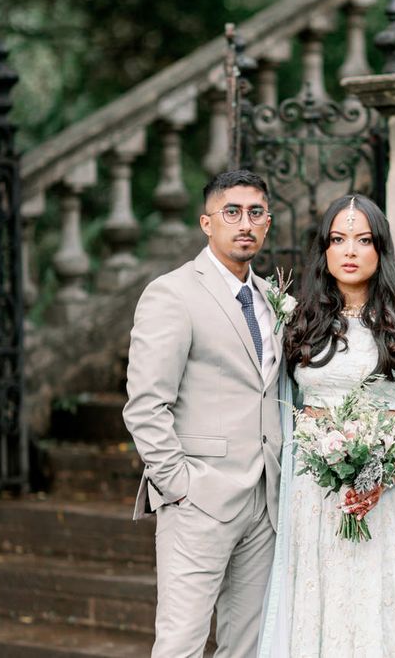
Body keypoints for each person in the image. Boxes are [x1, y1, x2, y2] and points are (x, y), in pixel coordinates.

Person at [259, 194, 395, 657]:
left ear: (380, 250)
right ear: (324, 251)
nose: (349, 251)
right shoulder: (299, 321)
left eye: (363, 240)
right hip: (314, 495)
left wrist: (376, 481)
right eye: (338, 239)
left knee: (379, 610)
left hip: (391, 494)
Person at [123, 169, 285, 658]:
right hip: (199, 497)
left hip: (265, 498)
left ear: (267, 223)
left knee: (247, 643)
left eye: (256, 213)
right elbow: (146, 404)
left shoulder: (270, 299)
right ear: (206, 223)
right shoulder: (171, 293)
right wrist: (178, 486)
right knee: (181, 642)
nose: (245, 223)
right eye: (231, 212)